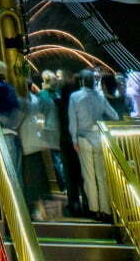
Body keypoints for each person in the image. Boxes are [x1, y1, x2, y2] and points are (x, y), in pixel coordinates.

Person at [68, 68, 119, 220]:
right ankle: (106, 209)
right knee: (101, 176)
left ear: (82, 81)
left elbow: (72, 121)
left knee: (89, 176)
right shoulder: (100, 97)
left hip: (83, 139)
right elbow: (114, 116)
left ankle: (94, 209)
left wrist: (74, 140)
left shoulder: (75, 96)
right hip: (99, 138)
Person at [19, 87, 54, 220]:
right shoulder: (35, 99)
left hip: (25, 144)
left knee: (30, 179)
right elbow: (41, 118)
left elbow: (16, 121)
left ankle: (34, 211)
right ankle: (42, 211)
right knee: (38, 179)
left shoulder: (21, 101)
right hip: (35, 142)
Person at [56, 70, 85, 215]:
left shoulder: (59, 104)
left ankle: (73, 204)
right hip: (79, 141)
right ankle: (87, 202)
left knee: (69, 174)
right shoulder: (80, 102)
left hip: (65, 141)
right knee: (82, 174)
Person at [36, 70, 63, 194]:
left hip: (50, 130)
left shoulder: (42, 95)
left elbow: (38, 113)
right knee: (58, 159)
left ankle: (61, 184)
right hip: (57, 130)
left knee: (56, 159)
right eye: (55, 79)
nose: (57, 81)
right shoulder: (57, 94)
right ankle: (63, 184)